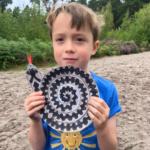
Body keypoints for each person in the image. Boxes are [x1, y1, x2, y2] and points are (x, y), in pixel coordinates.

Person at [24, 2, 122, 150]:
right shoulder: (43, 90)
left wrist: (102, 128)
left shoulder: (107, 90)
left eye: (79, 39)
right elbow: (38, 146)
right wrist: (35, 120)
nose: (69, 48)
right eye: (60, 39)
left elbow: (111, 148)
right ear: (52, 44)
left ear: (94, 47)